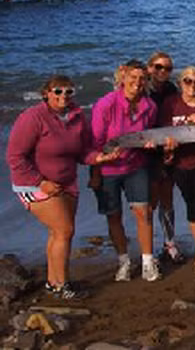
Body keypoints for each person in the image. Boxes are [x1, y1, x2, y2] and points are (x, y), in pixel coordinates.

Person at [6, 75, 119, 299]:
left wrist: (101, 158)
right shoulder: (33, 117)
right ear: (46, 93)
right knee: (64, 231)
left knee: (57, 233)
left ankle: (53, 282)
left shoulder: (76, 117)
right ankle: (62, 286)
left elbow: (82, 152)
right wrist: (40, 183)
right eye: (58, 91)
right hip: (34, 185)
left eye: (68, 92)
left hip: (67, 183)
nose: (63, 96)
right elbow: (15, 157)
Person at [91, 60, 161, 282]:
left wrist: (151, 144)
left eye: (142, 79)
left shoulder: (150, 107)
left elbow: (148, 135)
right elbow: (96, 142)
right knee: (114, 216)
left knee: (144, 213)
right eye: (133, 78)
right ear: (123, 78)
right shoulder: (106, 104)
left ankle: (148, 263)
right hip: (108, 168)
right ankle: (124, 261)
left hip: (136, 165)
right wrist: (95, 173)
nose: (137, 83)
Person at [158, 67, 195, 274]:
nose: (192, 85)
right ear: (180, 82)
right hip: (181, 163)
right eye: (187, 81)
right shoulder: (170, 104)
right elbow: (165, 130)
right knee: (192, 206)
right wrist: (168, 147)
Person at [146, 51, 183, 264]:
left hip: (167, 146)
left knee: (167, 198)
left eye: (167, 68)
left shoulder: (170, 89)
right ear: (150, 67)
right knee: (150, 201)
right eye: (158, 67)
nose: (163, 72)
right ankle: (148, 249)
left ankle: (169, 243)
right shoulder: (143, 88)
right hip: (146, 149)